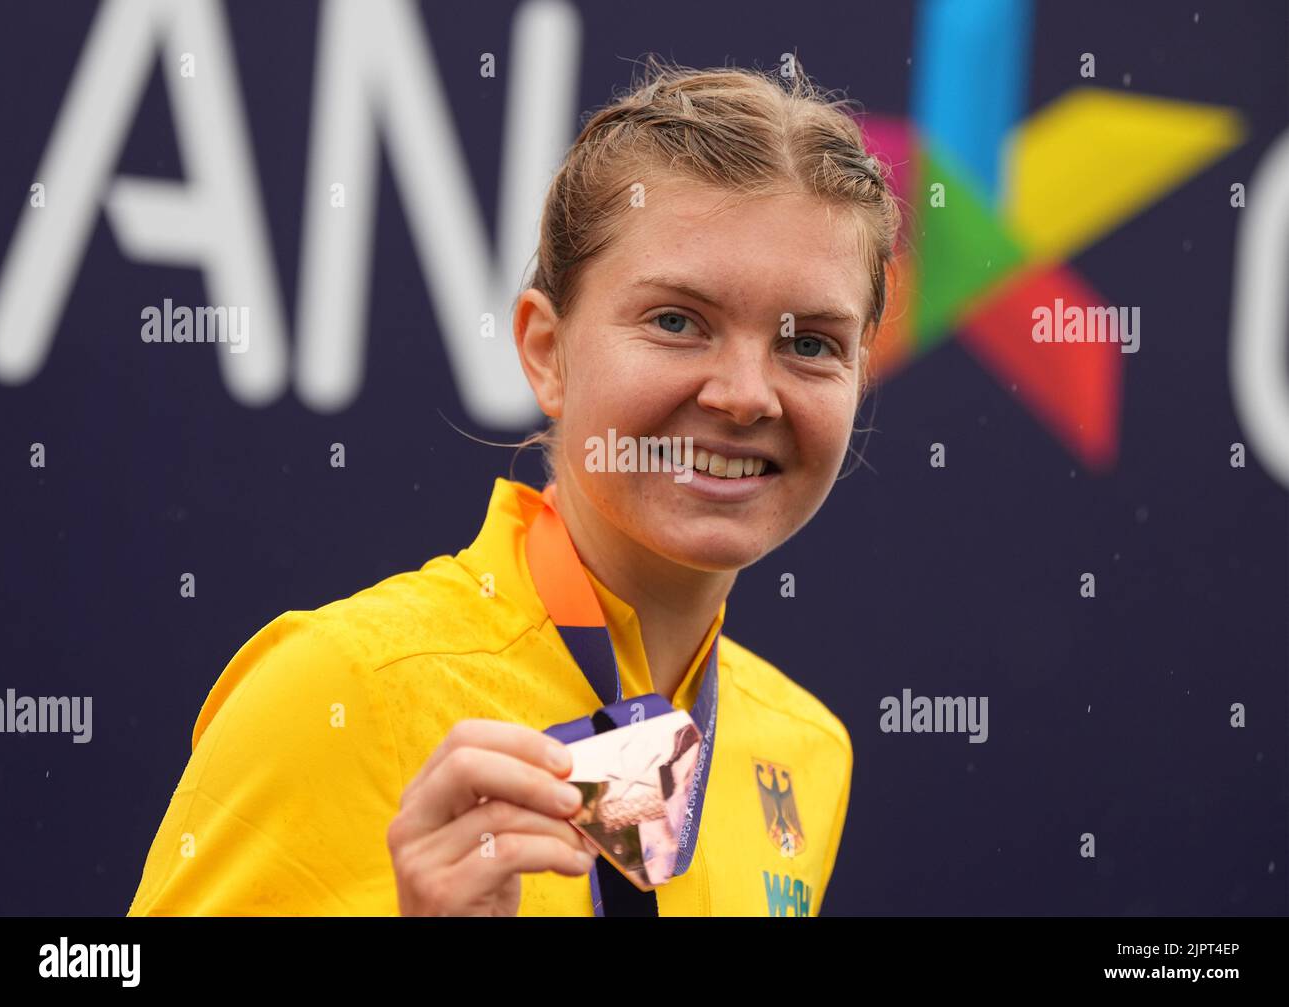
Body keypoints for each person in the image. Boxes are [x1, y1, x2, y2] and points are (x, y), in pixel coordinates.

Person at [127, 56, 901, 917]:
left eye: (810, 344)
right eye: (677, 321)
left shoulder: (803, 748)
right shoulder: (343, 686)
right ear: (545, 351)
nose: (747, 394)